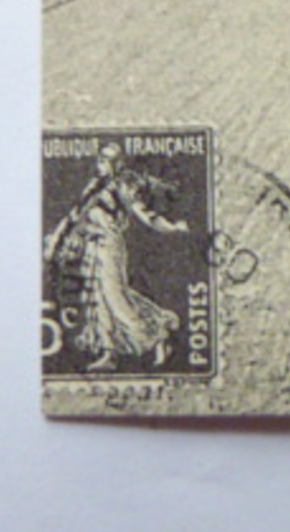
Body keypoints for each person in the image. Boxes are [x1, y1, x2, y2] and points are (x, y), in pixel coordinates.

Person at [43, 143, 192, 371]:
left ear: (117, 163)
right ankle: (108, 353)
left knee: (115, 298)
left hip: (110, 247)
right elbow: (74, 217)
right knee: (97, 299)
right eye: (100, 159)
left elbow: (146, 214)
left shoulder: (124, 185)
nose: (100, 164)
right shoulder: (94, 186)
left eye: (106, 160)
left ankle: (159, 336)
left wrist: (171, 228)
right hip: (91, 247)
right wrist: (55, 241)